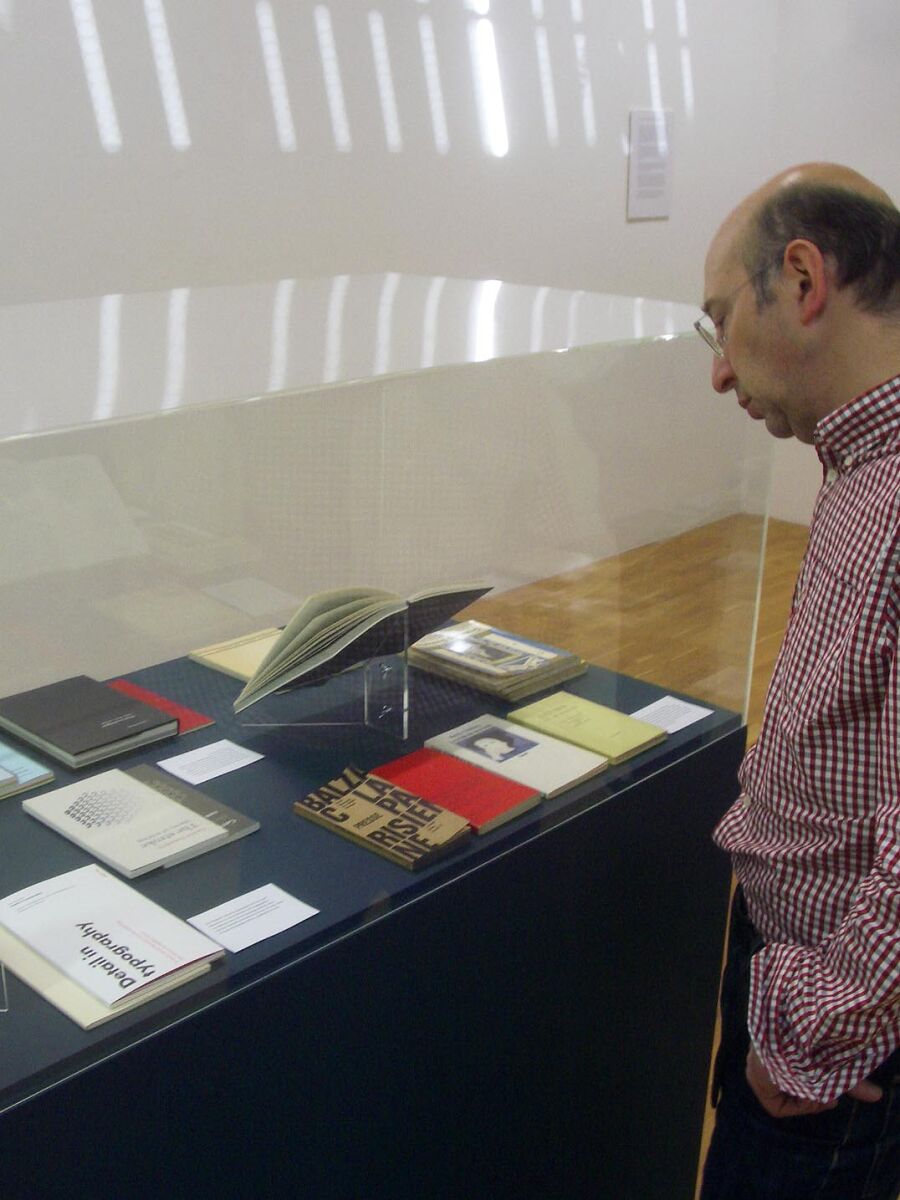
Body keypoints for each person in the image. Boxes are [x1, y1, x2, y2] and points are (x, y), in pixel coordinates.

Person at [697, 163, 900, 1200]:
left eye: (720, 320)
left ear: (805, 279)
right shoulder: (862, 462)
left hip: (837, 1047)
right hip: (796, 976)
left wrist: (819, 1028)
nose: (720, 372)